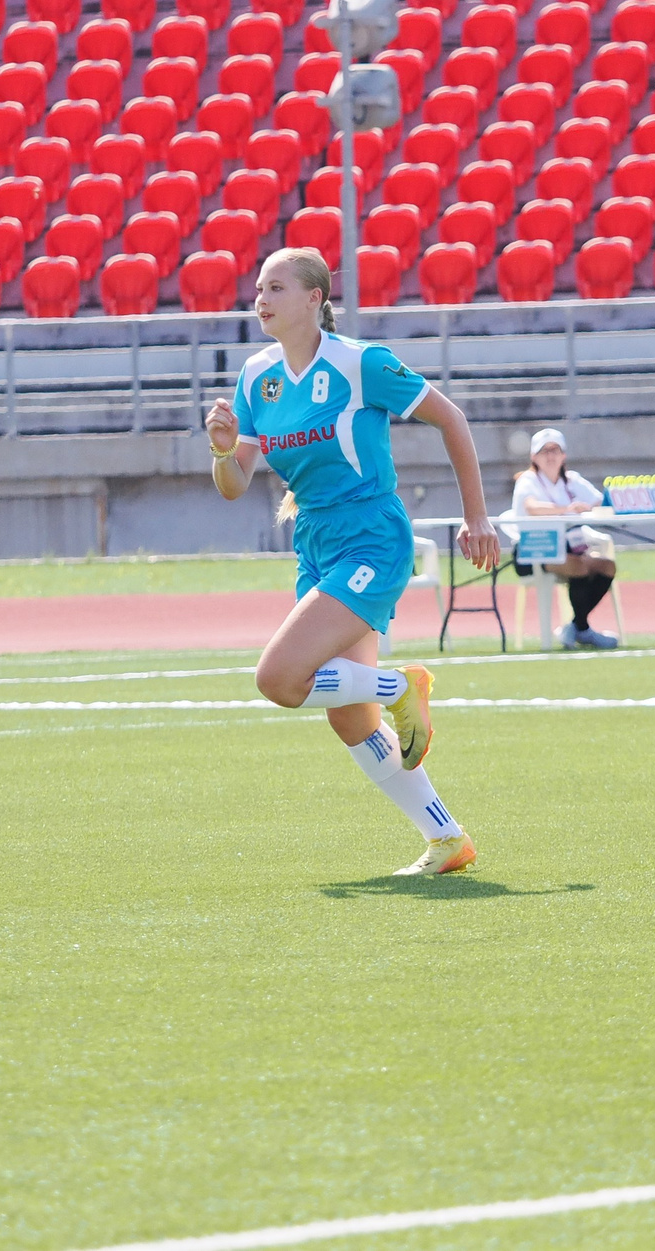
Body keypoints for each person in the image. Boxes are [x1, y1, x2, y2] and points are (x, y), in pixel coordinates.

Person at [203, 248, 504, 877]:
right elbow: (232, 486)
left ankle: (404, 686)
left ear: (315, 298)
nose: (261, 298)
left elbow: (450, 417)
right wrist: (222, 448)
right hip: (313, 538)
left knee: (279, 680)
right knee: (346, 715)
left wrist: (476, 517)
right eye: (258, 288)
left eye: (276, 287)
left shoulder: (358, 362)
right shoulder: (257, 376)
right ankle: (448, 840)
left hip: (372, 535)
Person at [511, 426, 620, 649]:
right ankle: (581, 629)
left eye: (555, 450)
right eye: (544, 451)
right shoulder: (528, 481)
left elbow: (601, 501)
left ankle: (577, 627)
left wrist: (586, 506)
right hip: (534, 550)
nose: (550, 456)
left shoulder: (572, 480)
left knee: (607, 566)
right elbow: (532, 507)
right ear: (534, 457)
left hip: (571, 548)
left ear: (564, 455)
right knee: (578, 567)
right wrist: (567, 509)